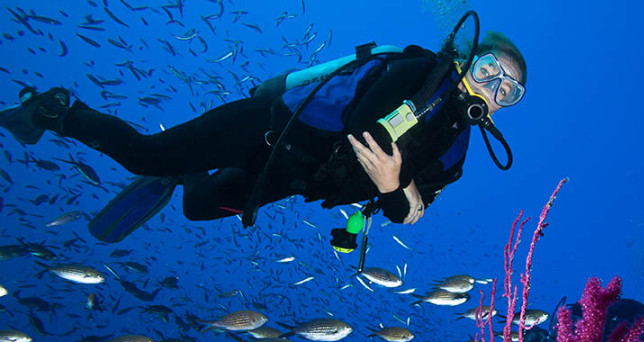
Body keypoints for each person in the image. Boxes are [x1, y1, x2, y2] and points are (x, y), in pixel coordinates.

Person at [0, 14, 525, 243]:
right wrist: (398, 189)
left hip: (291, 180)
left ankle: (183, 176)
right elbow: (369, 131)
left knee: (196, 207)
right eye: (489, 71)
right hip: (270, 131)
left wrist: (398, 188)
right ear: (465, 61)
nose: (494, 89)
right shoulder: (417, 72)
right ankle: (57, 112)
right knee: (145, 156)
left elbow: (411, 213)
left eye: (509, 90)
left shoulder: (456, 153)